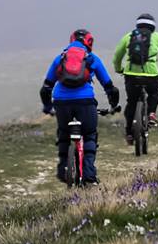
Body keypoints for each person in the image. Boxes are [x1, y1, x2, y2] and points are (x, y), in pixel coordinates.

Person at [40, 29, 120, 185]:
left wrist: (47, 107)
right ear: (89, 43)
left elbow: (46, 87)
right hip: (85, 102)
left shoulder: (61, 58)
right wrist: (113, 105)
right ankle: (89, 176)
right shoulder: (92, 58)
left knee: (63, 133)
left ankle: (63, 168)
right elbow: (110, 86)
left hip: (61, 102)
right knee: (89, 134)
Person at [113, 14, 158, 145]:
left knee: (131, 102)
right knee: (153, 94)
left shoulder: (129, 36)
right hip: (151, 75)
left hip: (131, 74)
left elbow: (117, 56)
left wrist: (119, 69)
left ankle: (129, 134)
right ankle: (151, 113)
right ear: (153, 26)